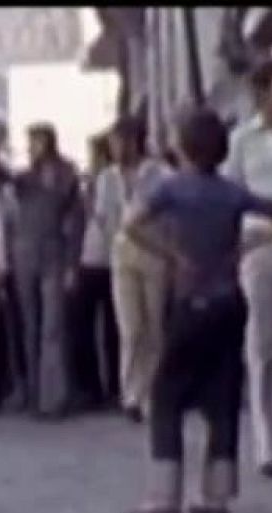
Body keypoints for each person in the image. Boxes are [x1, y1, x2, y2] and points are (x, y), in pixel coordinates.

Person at [120, 108, 272, 513]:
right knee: (222, 392)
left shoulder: (171, 190)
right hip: (230, 300)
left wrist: (173, 256)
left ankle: (164, 493)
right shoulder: (231, 192)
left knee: (167, 394)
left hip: (190, 299)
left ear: (183, 146)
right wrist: (245, 247)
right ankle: (216, 493)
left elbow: (132, 226)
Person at [223, 59, 272, 479]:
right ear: (263, 93)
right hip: (260, 247)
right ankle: (269, 446)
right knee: (262, 346)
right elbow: (230, 195)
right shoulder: (241, 139)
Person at [11, 123, 85, 417]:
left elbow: (76, 222)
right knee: (30, 325)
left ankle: (53, 397)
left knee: (53, 326)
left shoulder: (67, 175)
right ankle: (32, 393)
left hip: (54, 251)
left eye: (36, 142)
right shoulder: (25, 178)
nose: (32, 148)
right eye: (30, 143)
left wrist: (72, 264)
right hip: (25, 252)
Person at [104, 116, 174, 422]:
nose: (117, 148)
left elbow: (172, 209)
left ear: (135, 141)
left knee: (154, 324)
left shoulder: (158, 174)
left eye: (121, 141)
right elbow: (104, 216)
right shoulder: (107, 178)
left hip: (154, 250)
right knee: (131, 327)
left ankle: (154, 391)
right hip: (123, 251)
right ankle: (131, 392)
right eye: (113, 142)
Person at [70, 133, 119, 410]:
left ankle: (114, 385)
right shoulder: (89, 182)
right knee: (83, 324)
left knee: (114, 326)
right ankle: (91, 387)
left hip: (110, 257)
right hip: (89, 258)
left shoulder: (111, 182)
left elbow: (103, 217)